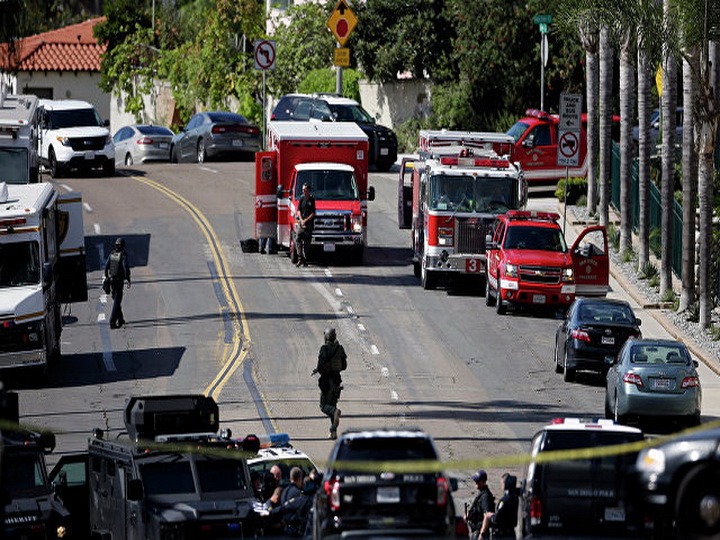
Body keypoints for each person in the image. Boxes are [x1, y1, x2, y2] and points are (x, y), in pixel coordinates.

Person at [315, 327, 347, 439]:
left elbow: (319, 367)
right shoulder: (340, 348)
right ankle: (333, 431)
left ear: (326, 337)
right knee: (333, 405)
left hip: (327, 381)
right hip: (337, 381)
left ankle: (335, 413)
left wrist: (321, 369)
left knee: (324, 406)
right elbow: (344, 366)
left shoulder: (324, 349)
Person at [480, 473, 519, 539]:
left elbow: (497, 518)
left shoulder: (505, 500)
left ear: (506, 484)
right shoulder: (515, 498)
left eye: (502, 483)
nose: (501, 486)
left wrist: (490, 515)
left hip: (502, 534)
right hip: (511, 533)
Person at [104, 237, 131, 329]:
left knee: (116, 299)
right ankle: (112, 322)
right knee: (117, 301)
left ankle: (120, 319)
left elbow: (106, 267)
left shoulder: (112, 253)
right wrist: (128, 279)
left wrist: (107, 277)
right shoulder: (123, 255)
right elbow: (125, 268)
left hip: (111, 281)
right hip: (119, 281)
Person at [465, 470, 495, 540]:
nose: (475, 483)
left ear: (483, 482)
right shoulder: (481, 493)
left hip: (479, 533)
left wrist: (482, 534)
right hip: (476, 532)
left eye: (477, 481)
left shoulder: (485, 497)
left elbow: (486, 516)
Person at [294, 183, 315, 267]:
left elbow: (313, 213)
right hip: (301, 223)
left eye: (305, 190)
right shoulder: (301, 200)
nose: (304, 191)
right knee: (298, 239)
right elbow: (298, 211)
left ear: (309, 191)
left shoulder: (312, 200)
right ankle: (300, 258)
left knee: (307, 242)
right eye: (303, 190)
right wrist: (301, 220)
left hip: (308, 223)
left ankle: (305, 259)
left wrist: (306, 220)